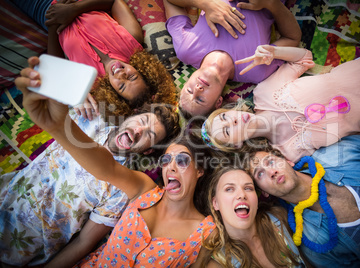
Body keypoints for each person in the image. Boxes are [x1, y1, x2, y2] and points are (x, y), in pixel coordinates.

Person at [14, 60, 215, 267]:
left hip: (25, 243)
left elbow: (85, 241)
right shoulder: (89, 115)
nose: (171, 167)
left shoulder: (125, 190)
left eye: (150, 135)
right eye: (166, 160)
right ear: (133, 116)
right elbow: (54, 77)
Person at [202, 41, 360, 162]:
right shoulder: (291, 152)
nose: (233, 121)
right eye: (227, 130)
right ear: (236, 145)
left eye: (225, 117)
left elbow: (304, 58)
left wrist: (275, 52)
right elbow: (356, 142)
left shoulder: (264, 92)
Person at [248, 135, 360, 267]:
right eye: (260, 174)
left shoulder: (339, 153)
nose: (272, 172)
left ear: (288, 161)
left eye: (270, 162)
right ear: (265, 193)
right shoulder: (315, 243)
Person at [13, 0, 177, 120]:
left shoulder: (90, 82)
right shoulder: (133, 42)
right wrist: (74, 9)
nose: (121, 74)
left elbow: (53, 63)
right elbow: (113, 2)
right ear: (141, 71)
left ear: (113, 91)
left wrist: (54, 24)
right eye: (132, 76)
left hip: (44, 10)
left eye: (121, 85)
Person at [164, 0, 301, 118]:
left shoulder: (186, 50)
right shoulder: (256, 70)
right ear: (218, 102)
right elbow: (292, 38)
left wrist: (205, 3)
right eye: (200, 99)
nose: (198, 89)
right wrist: (271, 3)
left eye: (189, 90)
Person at [201, 166, 304, 267]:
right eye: (229, 189)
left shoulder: (280, 219)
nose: (242, 194)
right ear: (215, 203)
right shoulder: (218, 263)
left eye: (248, 188)